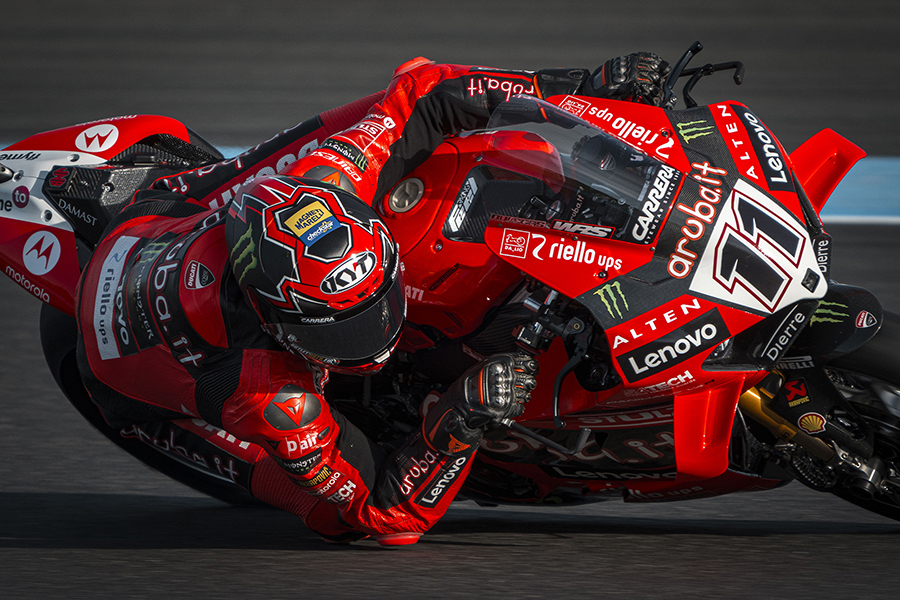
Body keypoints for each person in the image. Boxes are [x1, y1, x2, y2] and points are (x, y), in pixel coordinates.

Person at [74, 52, 670, 545]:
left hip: (155, 219)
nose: (379, 339)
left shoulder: (326, 183)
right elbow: (382, 516)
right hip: (128, 384)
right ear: (278, 323)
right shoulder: (270, 394)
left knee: (365, 127)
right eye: (340, 331)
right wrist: (457, 421)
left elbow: (424, 92)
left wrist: (579, 90)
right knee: (328, 512)